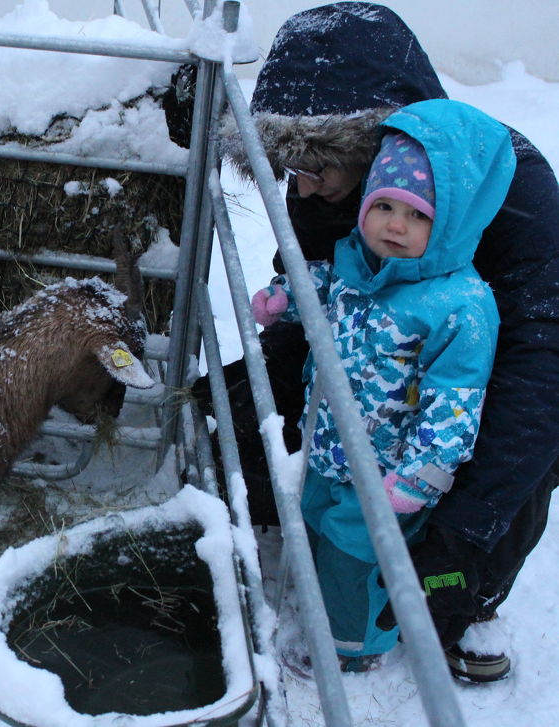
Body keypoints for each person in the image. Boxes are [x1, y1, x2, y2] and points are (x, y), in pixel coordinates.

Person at [166, 2, 559, 683]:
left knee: (478, 530)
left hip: (472, 390)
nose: (304, 186)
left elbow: (543, 373)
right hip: (379, 378)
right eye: (294, 167)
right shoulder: (328, 183)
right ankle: (320, 539)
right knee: (253, 416)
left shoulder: (511, 193)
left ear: (375, 143)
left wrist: (465, 531)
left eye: (319, 165)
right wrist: (274, 365)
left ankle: (479, 600)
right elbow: (316, 292)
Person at [251, 98, 514, 670]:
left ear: (453, 223)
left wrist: (420, 477)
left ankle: (350, 649)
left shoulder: (459, 307)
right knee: (319, 524)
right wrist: (286, 297)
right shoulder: (357, 261)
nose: (395, 225)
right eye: (385, 206)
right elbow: (323, 287)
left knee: (354, 554)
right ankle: (328, 609)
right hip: (328, 441)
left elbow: (456, 403)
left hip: (387, 472)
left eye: (418, 216)